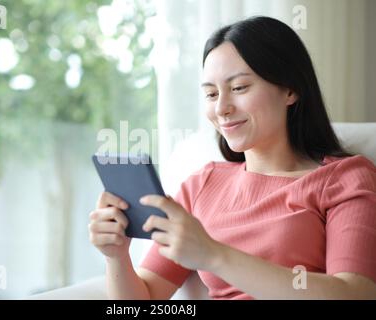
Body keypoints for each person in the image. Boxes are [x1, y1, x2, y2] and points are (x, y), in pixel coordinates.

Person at [88, 16, 376, 299]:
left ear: (291, 89)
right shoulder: (202, 185)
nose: (222, 108)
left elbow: (355, 293)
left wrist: (213, 255)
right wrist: (116, 256)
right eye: (211, 94)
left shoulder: (345, 178)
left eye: (239, 88)